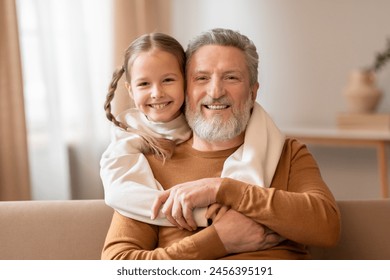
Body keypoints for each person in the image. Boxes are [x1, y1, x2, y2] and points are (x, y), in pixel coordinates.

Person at [101, 28, 341, 260]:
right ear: (187, 88)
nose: (215, 91)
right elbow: (118, 265)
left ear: (253, 92)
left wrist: (222, 190)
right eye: (202, 78)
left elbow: (327, 227)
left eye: (231, 77)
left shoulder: (286, 153)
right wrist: (217, 241)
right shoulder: (151, 164)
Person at [100, 32, 285, 231]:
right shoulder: (130, 140)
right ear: (130, 90)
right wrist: (204, 216)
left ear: (185, 82)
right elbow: (122, 195)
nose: (157, 93)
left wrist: (230, 193)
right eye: (144, 84)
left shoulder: (215, 123)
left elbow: (258, 119)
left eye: (168, 80)